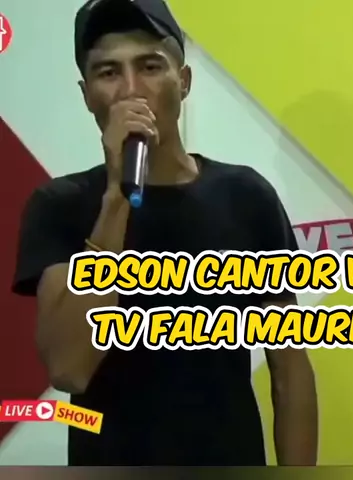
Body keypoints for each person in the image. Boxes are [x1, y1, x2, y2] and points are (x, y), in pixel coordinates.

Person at [11, 0, 318, 467]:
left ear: (184, 81)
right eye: (109, 73)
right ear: (87, 95)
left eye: (150, 66)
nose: (131, 89)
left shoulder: (246, 196)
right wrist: (117, 198)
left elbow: (289, 367)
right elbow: (70, 369)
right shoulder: (61, 205)